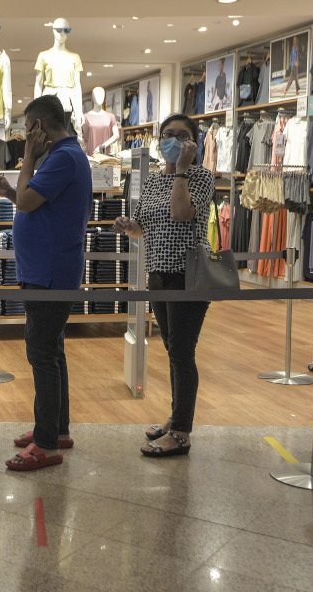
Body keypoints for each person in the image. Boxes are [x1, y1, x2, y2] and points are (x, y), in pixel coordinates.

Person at [0, 95, 92, 471]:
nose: (25, 136)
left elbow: (29, 205)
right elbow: (33, 201)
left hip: (50, 271)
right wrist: (11, 192)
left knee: (42, 354)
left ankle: (47, 443)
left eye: (27, 128)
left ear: (38, 128)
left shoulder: (63, 157)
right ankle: (55, 428)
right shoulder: (65, 156)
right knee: (52, 350)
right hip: (47, 269)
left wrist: (27, 160)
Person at [113, 113, 215, 457]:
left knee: (183, 353)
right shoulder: (154, 181)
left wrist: (182, 171)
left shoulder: (201, 177)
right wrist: (129, 225)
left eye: (182, 136)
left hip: (189, 275)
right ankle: (177, 417)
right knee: (173, 349)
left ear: (195, 143)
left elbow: (180, 214)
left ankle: (182, 432)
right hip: (157, 272)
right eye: (167, 135)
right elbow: (145, 226)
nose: (173, 140)